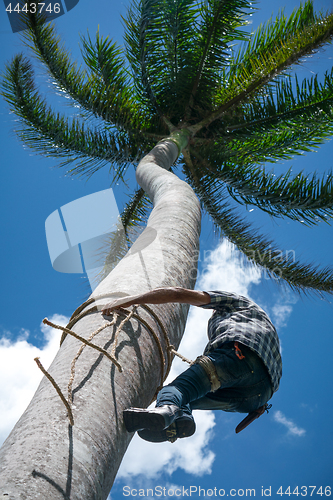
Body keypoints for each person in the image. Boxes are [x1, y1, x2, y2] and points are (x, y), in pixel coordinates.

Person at [102, 287, 282, 443]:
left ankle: (166, 409)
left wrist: (129, 300)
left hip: (239, 355)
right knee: (185, 399)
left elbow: (178, 294)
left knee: (177, 390)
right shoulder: (264, 326)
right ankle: (181, 419)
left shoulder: (237, 302)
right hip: (257, 399)